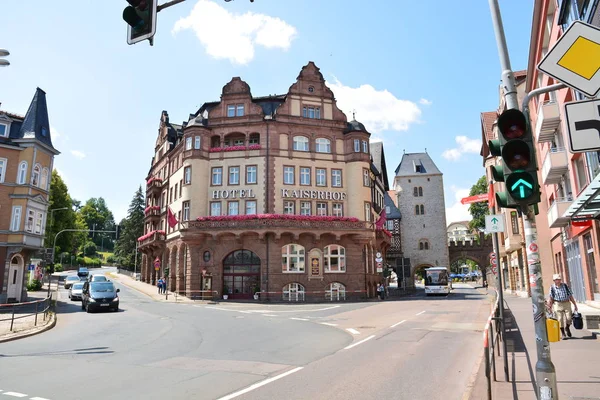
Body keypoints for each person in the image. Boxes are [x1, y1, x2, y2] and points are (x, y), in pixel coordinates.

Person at [548, 273, 578, 340]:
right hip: (557, 304)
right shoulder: (552, 287)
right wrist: (550, 307)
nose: (557, 281)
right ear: (554, 280)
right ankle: (563, 333)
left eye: (558, 279)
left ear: (560, 280)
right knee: (560, 319)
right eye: (556, 280)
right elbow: (551, 298)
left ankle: (567, 327)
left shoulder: (565, 286)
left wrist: (575, 305)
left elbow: (570, 296)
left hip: (566, 303)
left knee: (569, 318)